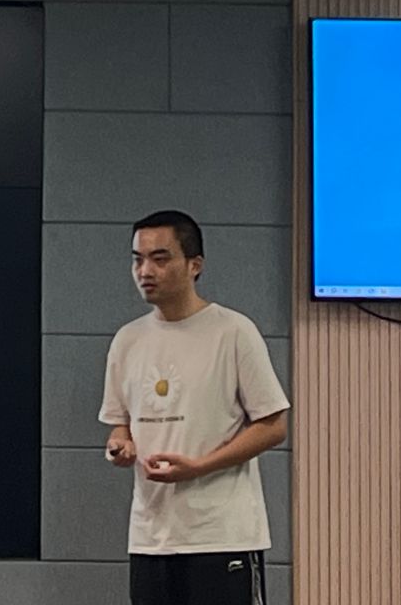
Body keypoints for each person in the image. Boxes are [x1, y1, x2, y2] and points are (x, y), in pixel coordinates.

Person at [100, 209, 290, 605]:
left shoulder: (233, 331)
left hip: (222, 535)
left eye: (160, 258)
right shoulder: (127, 341)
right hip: (150, 537)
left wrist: (200, 466)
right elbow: (120, 425)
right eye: (138, 259)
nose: (145, 271)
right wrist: (121, 446)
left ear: (194, 265)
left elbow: (273, 426)